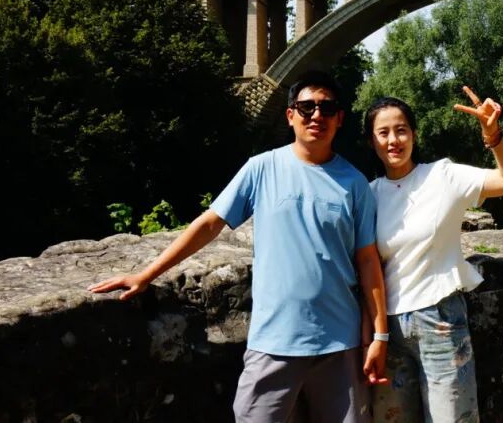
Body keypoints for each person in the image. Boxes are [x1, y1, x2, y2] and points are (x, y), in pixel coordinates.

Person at [89, 70, 389, 423]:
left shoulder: (355, 184)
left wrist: (380, 335)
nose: (316, 116)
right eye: (306, 107)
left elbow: (367, 261)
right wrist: (147, 274)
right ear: (290, 115)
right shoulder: (261, 169)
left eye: (327, 108)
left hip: (340, 344)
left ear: (339, 118)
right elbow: (209, 224)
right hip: (273, 341)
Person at [364, 87, 503, 423]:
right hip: (388, 329)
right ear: (372, 142)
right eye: (383, 132)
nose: (393, 140)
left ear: (414, 134)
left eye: (401, 130)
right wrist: (374, 333)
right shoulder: (369, 195)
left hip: (439, 319)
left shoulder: (443, 176)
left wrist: (493, 136)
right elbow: (367, 265)